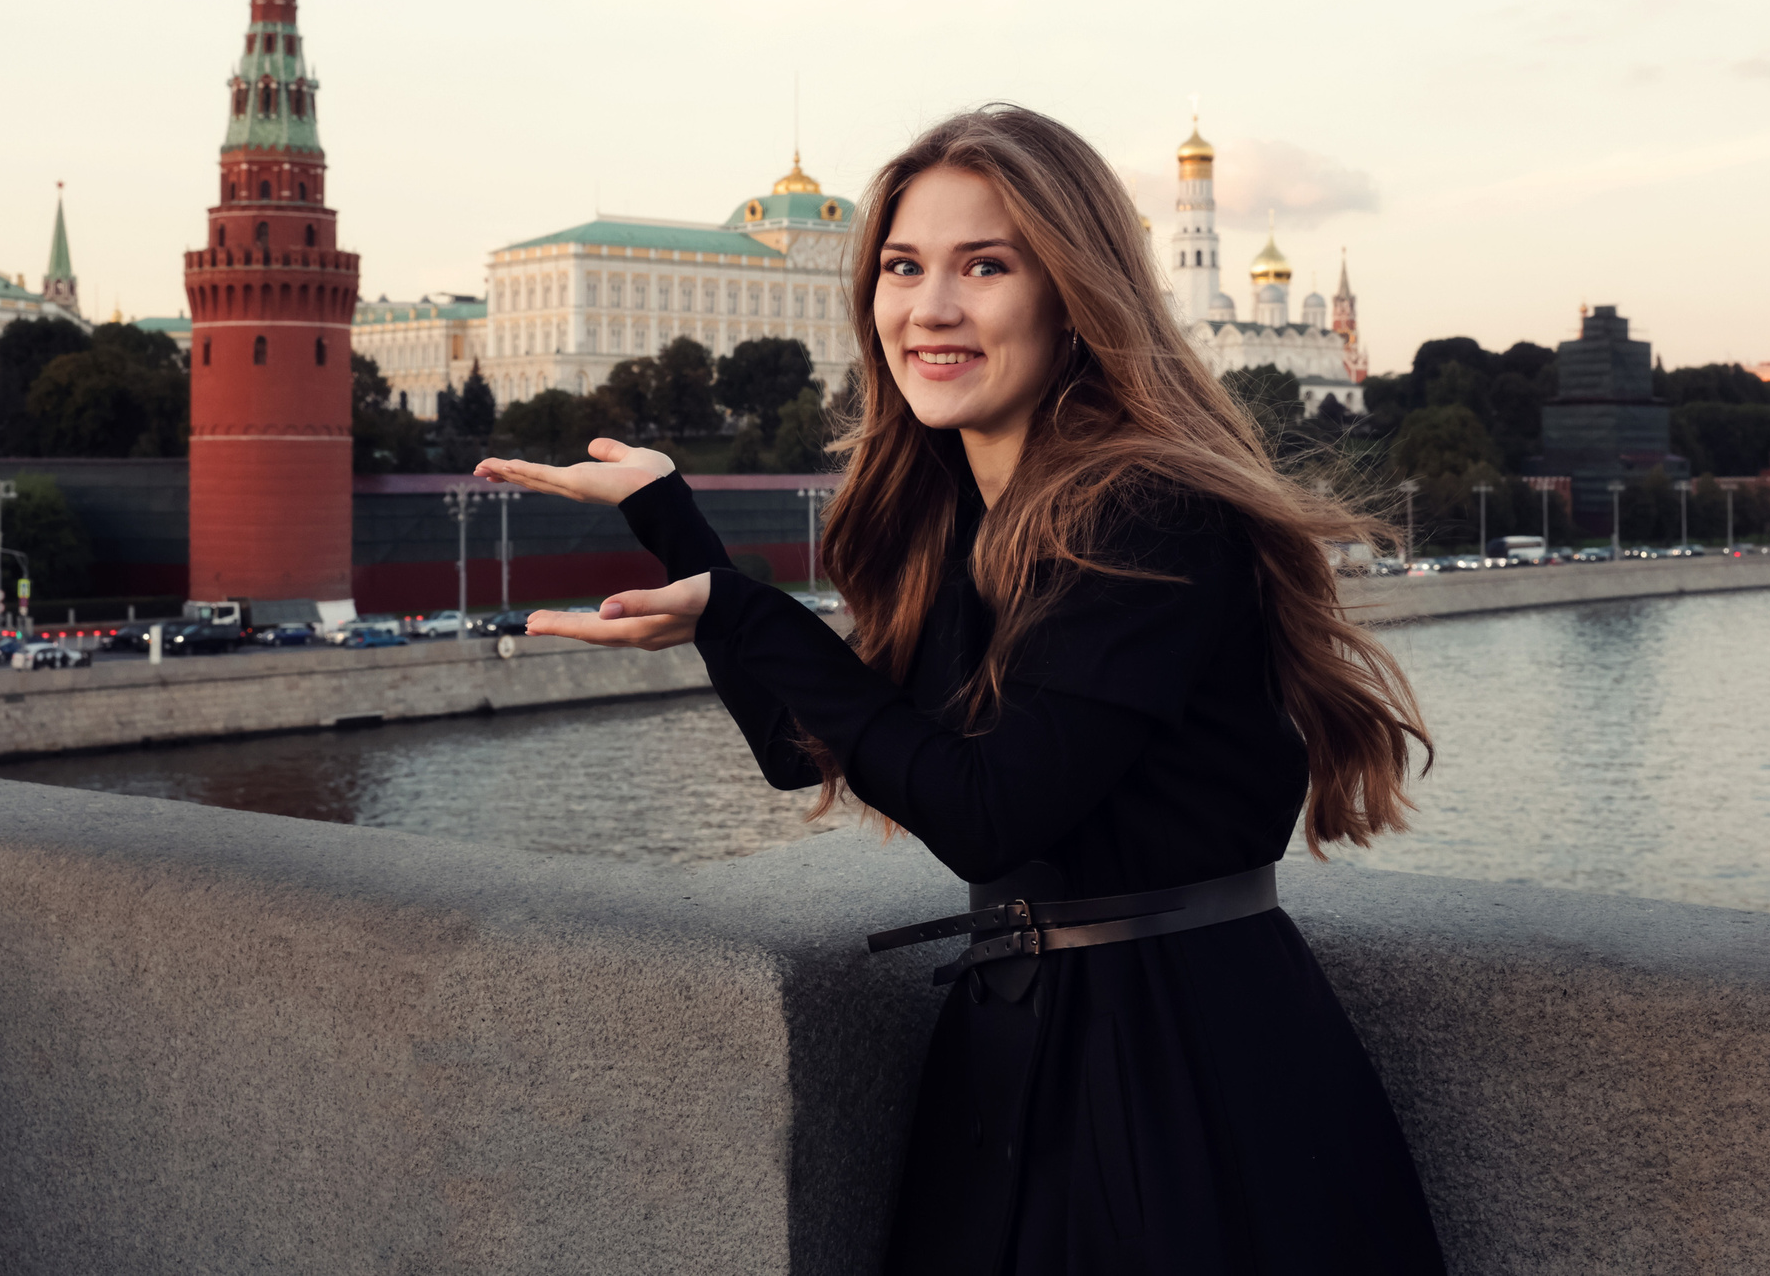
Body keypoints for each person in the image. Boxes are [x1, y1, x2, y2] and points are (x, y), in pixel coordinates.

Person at [479, 105, 1444, 1274]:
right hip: (1022, 1060)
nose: (927, 307)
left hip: (1182, 1073)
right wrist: (677, 526)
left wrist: (743, 614)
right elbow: (809, 743)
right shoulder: (964, 519)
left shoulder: (1146, 513)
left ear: (1072, 291)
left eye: (983, 265)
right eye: (901, 267)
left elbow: (992, 810)